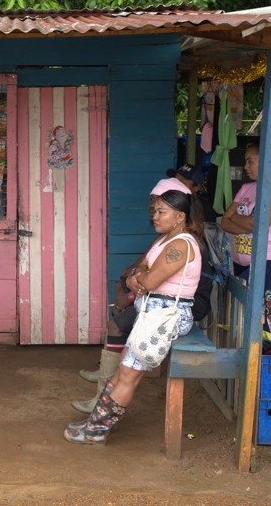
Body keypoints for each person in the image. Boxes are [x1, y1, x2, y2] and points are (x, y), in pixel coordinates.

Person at [65, 189, 203, 445]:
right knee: (121, 372)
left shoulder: (181, 245)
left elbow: (149, 280)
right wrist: (136, 276)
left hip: (165, 318)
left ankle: (95, 432)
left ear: (180, 216)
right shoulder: (165, 240)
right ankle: (95, 423)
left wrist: (137, 278)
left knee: (129, 375)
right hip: (152, 314)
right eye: (155, 211)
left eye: (162, 212)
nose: (155, 216)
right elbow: (142, 271)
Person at [220, 143, 271, 331]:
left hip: (270, 259)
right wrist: (248, 222)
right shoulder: (246, 188)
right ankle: (251, 352)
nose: (245, 167)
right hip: (241, 260)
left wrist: (237, 218)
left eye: (250, 161)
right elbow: (224, 222)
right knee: (240, 307)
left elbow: (258, 224)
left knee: (250, 299)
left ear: (267, 162)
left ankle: (265, 347)